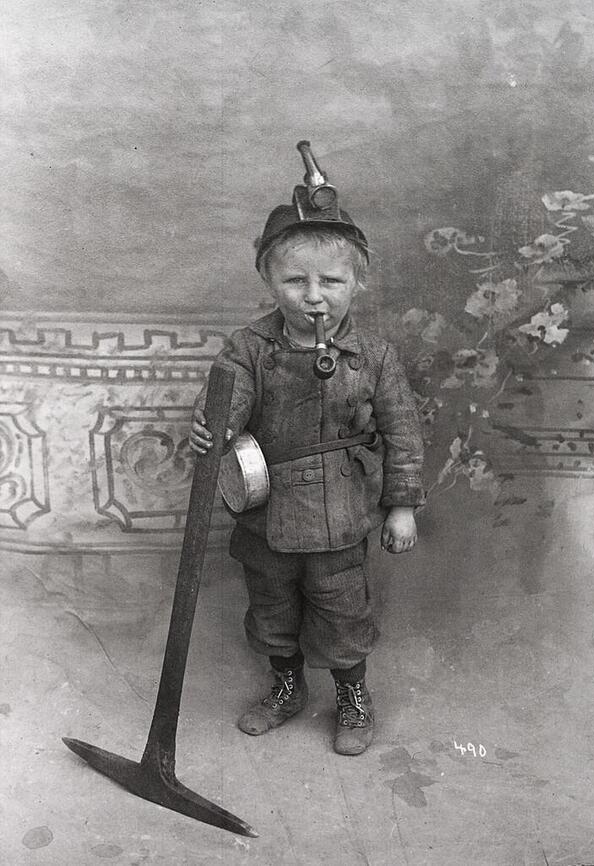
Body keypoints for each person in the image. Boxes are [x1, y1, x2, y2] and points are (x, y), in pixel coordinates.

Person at [189, 145, 425, 755]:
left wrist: (402, 507)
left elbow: (402, 434)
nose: (313, 296)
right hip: (265, 516)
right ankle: (286, 688)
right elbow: (228, 409)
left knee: (342, 611)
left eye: (332, 281)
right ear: (269, 280)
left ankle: (351, 696)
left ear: (359, 283)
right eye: (295, 280)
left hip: (340, 514)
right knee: (271, 610)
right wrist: (210, 430)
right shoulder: (248, 348)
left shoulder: (375, 357)